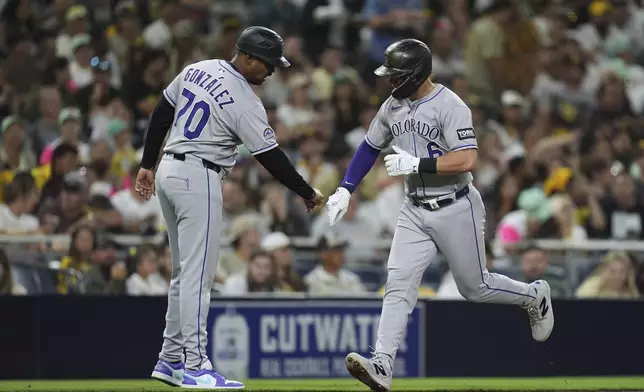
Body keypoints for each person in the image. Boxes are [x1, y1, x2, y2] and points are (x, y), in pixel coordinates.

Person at [325, 39, 555, 392]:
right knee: (398, 284)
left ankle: (532, 296)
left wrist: (418, 163)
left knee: (474, 288)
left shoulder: (450, 105)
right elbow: (370, 146)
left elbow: (467, 159)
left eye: (396, 75)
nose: (389, 81)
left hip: (455, 204)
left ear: (415, 75)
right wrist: (346, 188)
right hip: (413, 208)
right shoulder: (392, 107)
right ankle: (383, 363)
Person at [135, 26, 324, 389]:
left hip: (169, 170)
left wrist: (147, 162)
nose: (271, 71)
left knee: (182, 273)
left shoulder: (198, 68)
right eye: (267, 63)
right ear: (249, 57)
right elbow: (271, 157)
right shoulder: (244, 100)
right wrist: (306, 191)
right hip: (199, 176)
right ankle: (195, 363)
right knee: (198, 277)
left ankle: (170, 358)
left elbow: (163, 109)